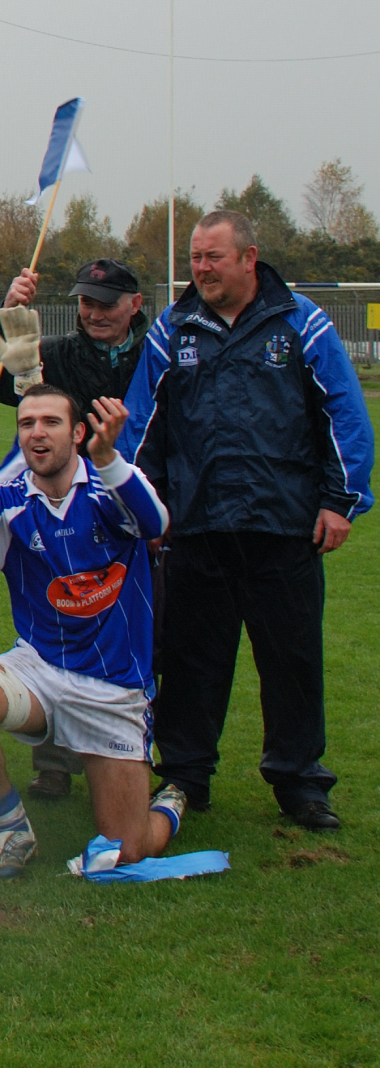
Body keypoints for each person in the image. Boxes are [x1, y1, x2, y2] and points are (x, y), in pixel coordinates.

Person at [125, 209, 374, 831]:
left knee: (292, 662)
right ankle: (185, 775)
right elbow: (141, 426)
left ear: (248, 258)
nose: (201, 269)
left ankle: (300, 782)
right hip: (196, 527)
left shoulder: (300, 323)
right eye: (195, 258)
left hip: (284, 527)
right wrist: (142, 506)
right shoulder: (173, 329)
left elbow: (344, 413)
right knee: (191, 662)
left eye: (213, 257)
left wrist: (339, 500)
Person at [0, 384, 186, 876]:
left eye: (51, 422)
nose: (37, 433)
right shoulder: (8, 499)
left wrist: (108, 457)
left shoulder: (109, 485)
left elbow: (155, 523)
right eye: (27, 424)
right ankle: (11, 827)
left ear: (77, 432)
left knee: (126, 852)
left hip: (113, 685)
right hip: (41, 669)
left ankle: (169, 804)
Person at [0, 254, 149, 801]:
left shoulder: (150, 355)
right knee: (56, 620)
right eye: (86, 303)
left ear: (134, 306)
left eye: (106, 303)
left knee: (134, 628)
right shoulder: (59, 354)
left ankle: (136, 751)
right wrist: (6, 314)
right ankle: (53, 762)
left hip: (129, 507)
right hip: (58, 505)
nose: (94, 313)